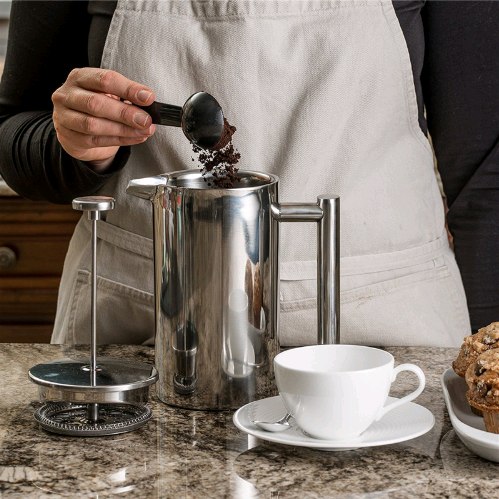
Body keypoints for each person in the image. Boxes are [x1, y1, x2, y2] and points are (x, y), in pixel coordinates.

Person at [1, 0, 498, 347]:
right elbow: (14, 127)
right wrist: (78, 146)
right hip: (144, 330)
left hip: (383, 334)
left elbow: (484, 173)